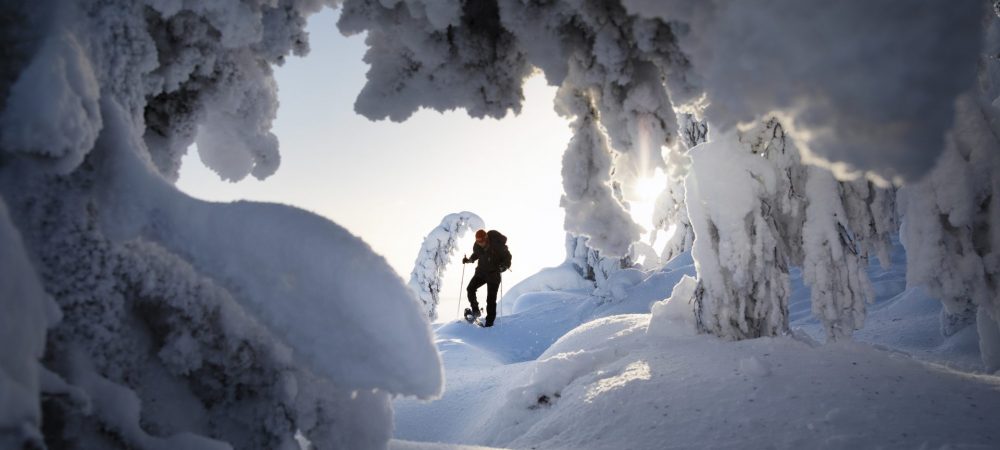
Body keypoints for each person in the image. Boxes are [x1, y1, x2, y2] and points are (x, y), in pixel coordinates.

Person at [462, 229, 502, 327]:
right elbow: (476, 254)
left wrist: (504, 266)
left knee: (490, 300)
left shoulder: (496, 246)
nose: (480, 243)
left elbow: (507, 257)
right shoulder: (477, 245)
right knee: (470, 288)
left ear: (486, 238)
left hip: (494, 274)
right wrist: (469, 260)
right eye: (478, 241)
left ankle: (489, 323)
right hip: (482, 273)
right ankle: (476, 312)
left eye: (481, 241)